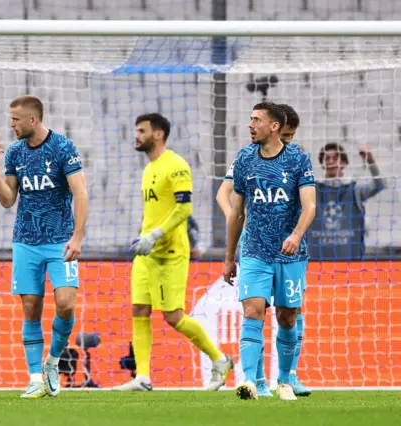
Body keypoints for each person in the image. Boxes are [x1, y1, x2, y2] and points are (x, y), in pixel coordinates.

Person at [113, 113, 233, 392]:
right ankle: (142, 377)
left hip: (170, 253)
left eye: (141, 131)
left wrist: (155, 235)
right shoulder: (148, 169)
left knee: (172, 315)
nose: (136, 135)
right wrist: (145, 237)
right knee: (139, 309)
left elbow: (184, 209)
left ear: (158, 134)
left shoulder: (176, 165)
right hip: (147, 254)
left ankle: (219, 359)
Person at [0, 95, 89, 398]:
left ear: (33, 120)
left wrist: (78, 235)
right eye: (10, 119)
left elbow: (80, 193)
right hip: (26, 241)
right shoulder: (15, 153)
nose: (11, 125)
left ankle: (53, 362)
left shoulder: (63, 147)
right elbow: (7, 200)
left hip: (61, 240)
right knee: (31, 309)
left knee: (67, 304)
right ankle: (34, 378)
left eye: (15, 119)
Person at [216, 103, 311, 397]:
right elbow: (235, 208)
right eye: (250, 118)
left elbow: (310, 205)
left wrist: (296, 235)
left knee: (287, 317)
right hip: (255, 249)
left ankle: (284, 380)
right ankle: (250, 381)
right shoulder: (244, 158)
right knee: (253, 310)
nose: (250, 124)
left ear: (274, 126)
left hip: (290, 253)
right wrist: (230, 256)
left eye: (256, 119)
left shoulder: (298, 158)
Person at [308, 143, 385, 260]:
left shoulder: (354, 189)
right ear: (322, 164)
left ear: (344, 162)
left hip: (349, 263)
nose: (331, 161)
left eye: (335, 158)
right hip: (317, 264)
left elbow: (380, 185)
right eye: (327, 158)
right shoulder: (311, 190)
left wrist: (370, 160)